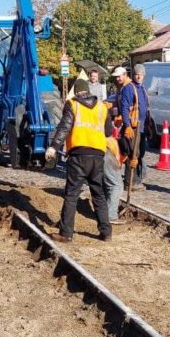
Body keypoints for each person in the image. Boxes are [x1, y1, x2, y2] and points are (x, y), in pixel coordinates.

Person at [45, 78, 114, 243]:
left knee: (72, 194)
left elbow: (64, 127)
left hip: (78, 155)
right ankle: (106, 232)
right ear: (88, 90)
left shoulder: (73, 105)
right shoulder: (102, 107)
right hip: (98, 155)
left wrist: (54, 147)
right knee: (98, 194)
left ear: (76, 92)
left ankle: (66, 233)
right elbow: (108, 131)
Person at [110, 65, 142, 192]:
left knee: (131, 153)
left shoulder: (128, 88)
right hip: (131, 124)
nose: (117, 79)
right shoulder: (124, 87)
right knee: (128, 151)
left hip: (133, 125)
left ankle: (130, 182)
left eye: (119, 76)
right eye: (116, 77)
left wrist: (127, 125)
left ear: (125, 75)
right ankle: (128, 181)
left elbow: (125, 107)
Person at [132, 64, 150, 187]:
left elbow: (146, 107)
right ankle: (134, 180)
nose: (139, 76)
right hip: (135, 126)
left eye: (141, 75)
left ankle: (139, 176)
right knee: (135, 153)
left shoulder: (143, 89)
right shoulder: (131, 88)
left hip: (143, 126)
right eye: (137, 74)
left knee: (141, 153)